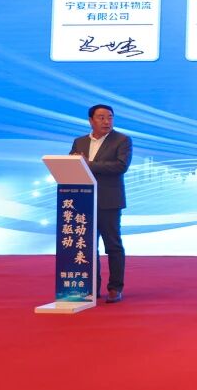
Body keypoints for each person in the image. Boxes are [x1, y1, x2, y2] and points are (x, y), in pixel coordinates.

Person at [70, 104, 132, 304]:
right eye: (101, 117)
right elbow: (73, 165)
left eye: (110, 117)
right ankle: (91, 287)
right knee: (87, 246)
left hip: (109, 200)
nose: (107, 121)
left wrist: (89, 164)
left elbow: (120, 166)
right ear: (91, 120)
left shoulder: (122, 140)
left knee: (112, 245)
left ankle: (115, 288)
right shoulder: (79, 142)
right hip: (83, 201)